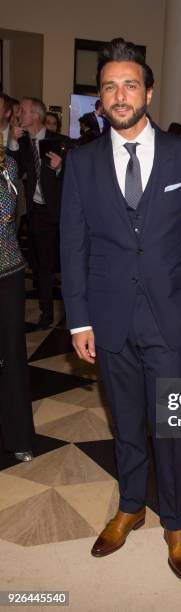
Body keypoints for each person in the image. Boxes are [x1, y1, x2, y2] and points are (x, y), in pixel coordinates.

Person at [60, 38, 181, 580]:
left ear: (149, 92)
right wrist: (79, 319)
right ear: (100, 97)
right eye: (110, 86)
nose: (121, 95)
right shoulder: (82, 162)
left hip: (168, 318)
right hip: (108, 319)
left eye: (131, 85)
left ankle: (178, 523)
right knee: (125, 422)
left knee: (172, 424)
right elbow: (72, 245)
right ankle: (130, 506)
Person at [8, 97, 69, 328]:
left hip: (61, 213)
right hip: (37, 214)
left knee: (65, 265)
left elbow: (78, 176)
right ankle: (46, 312)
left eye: (22, 111)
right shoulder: (22, 144)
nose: (18, 115)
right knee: (41, 266)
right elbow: (12, 173)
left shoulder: (60, 141)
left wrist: (60, 168)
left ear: (34, 115)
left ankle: (72, 312)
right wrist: (12, 142)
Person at [0, 135, 35, 462]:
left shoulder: (8, 166)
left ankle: (19, 436)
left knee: (11, 355)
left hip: (8, 272)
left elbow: (14, 215)